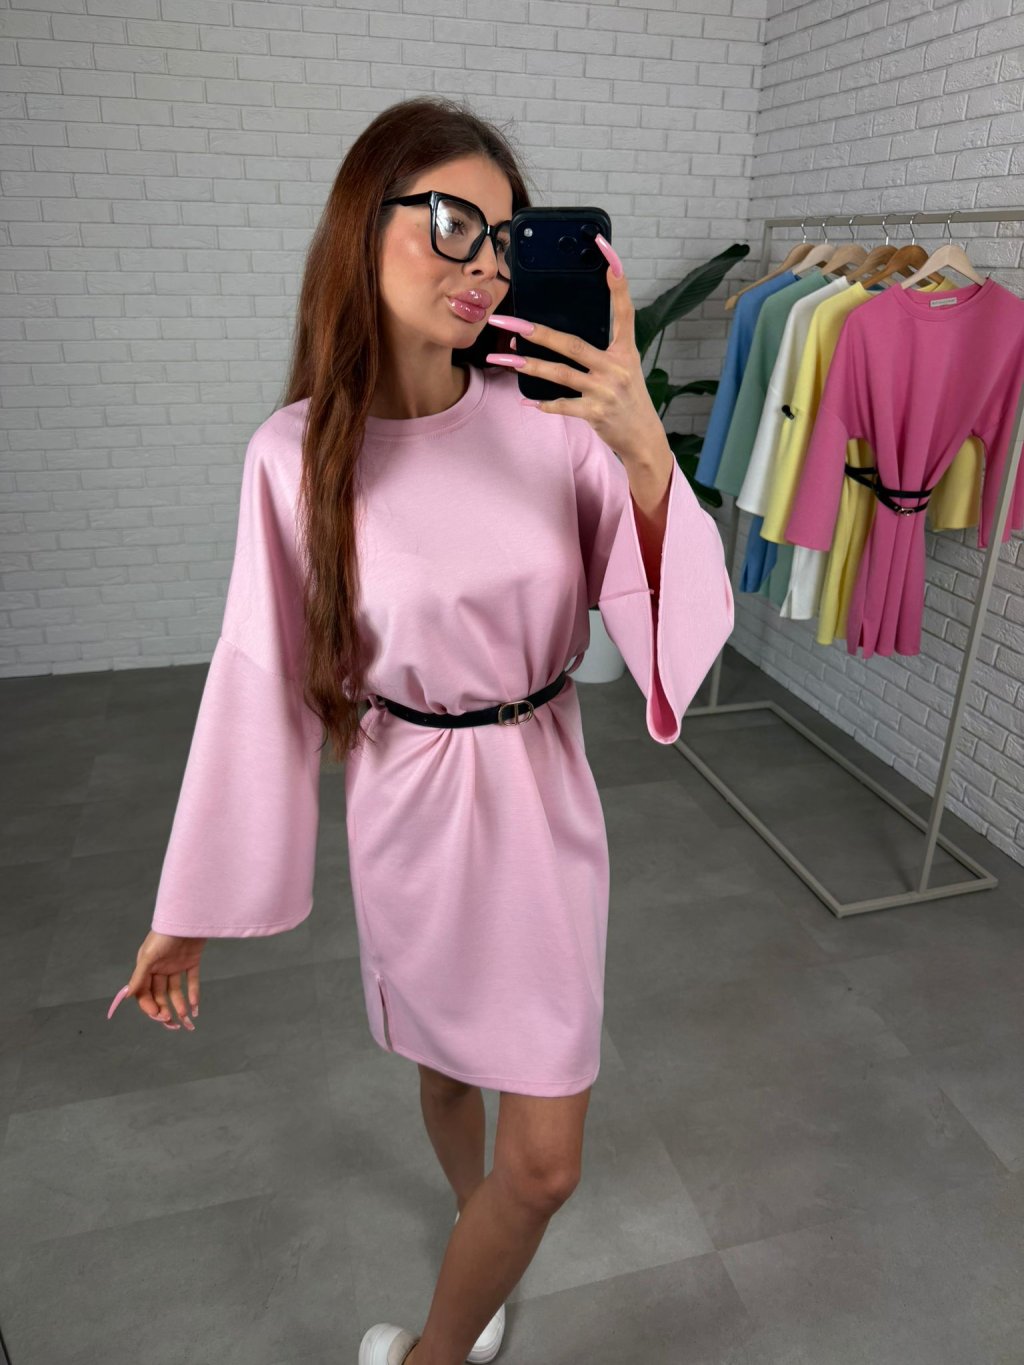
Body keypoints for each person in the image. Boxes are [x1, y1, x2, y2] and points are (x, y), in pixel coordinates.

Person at [107, 96, 734, 1365]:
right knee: (443, 1064)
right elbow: (260, 674)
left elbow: (663, 621)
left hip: (540, 802)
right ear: (363, 223)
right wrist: (190, 906)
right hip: (405, 803)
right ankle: (473, 1229)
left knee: (544, 1163)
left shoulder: (553, 422)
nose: (483, 263)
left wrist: (641, 458)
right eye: (452, 222)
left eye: (502, 237)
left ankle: (431, 1351)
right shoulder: (294, 455)